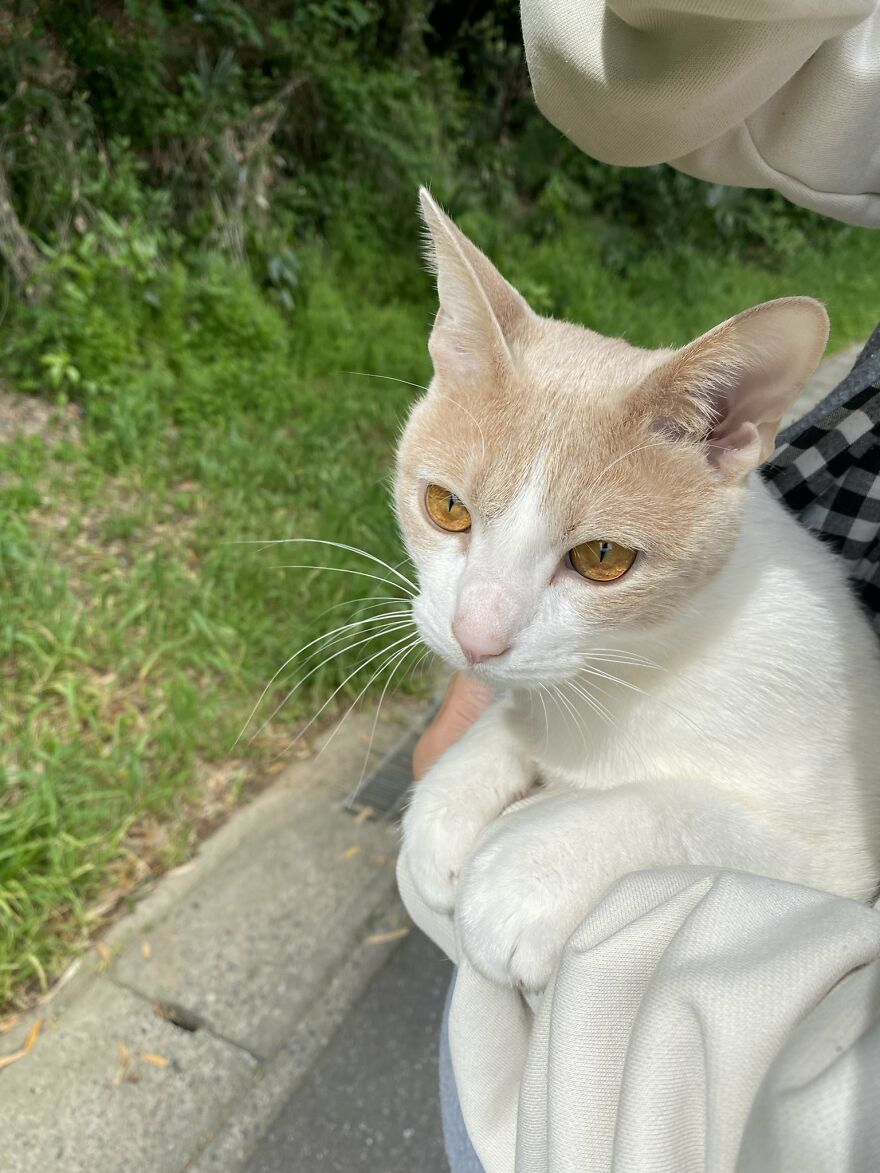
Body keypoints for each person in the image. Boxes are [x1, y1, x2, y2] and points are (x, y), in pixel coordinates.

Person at [405, 3, 880, 1171]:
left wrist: (628, 829)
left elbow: (836, 865)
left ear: (727, 439)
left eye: (599, 557)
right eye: (450, 515)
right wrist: (493, 750)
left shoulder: (784, 645)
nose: (476, 623)